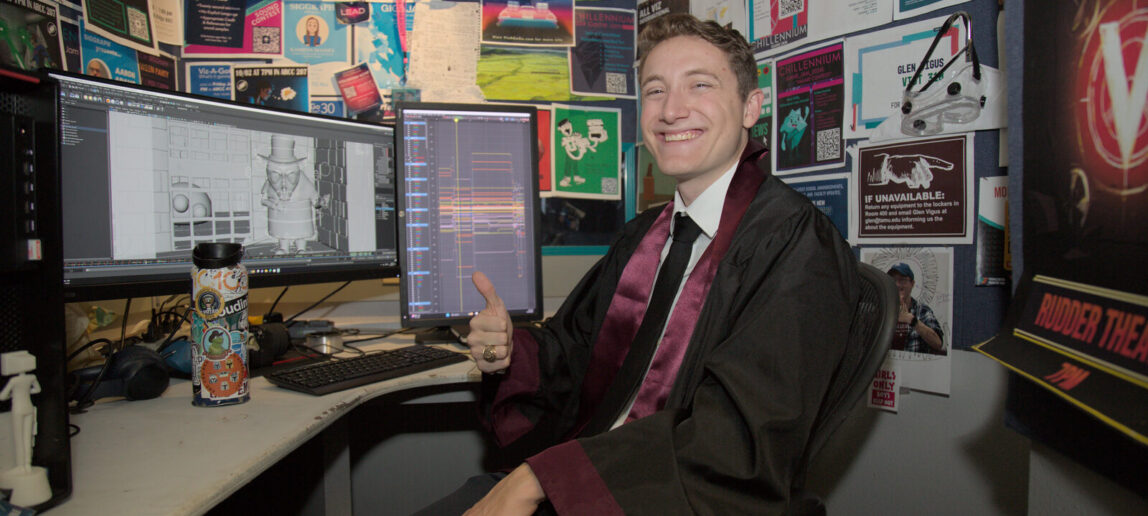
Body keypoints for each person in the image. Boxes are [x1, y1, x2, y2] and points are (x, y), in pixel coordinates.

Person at [425, 13, 859, 514]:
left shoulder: (795, 244)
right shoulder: (644, 236)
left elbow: (738, 440)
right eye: (655, 91)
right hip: (582, 480)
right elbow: (573, 352)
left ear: (750, 107)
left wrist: (538, 480)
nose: (672, 110)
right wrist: (509, 348)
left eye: (700, 85)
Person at [886, 262, 945, 355]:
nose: (897, 284)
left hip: (914, 368)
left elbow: (938, 344)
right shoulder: (883, 311)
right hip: (888, 368)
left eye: (902, 280)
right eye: (893, 280)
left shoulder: (923, 311)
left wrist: (913, 321)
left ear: (912, 284)